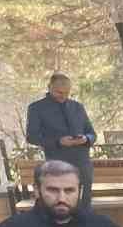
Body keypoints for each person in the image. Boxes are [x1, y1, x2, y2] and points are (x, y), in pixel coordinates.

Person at [25, 74, 96, 208]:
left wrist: (86, 139)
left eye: (67, 93)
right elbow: (31, 137)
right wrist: (58, 142)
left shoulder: (78, 107)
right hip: (57, 165)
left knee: (85, 206)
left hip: (83, 165)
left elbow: (92, 134)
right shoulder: (36, 108)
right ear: (49, 87)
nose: (63, 95)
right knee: (60, 205)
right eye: (59, 92)